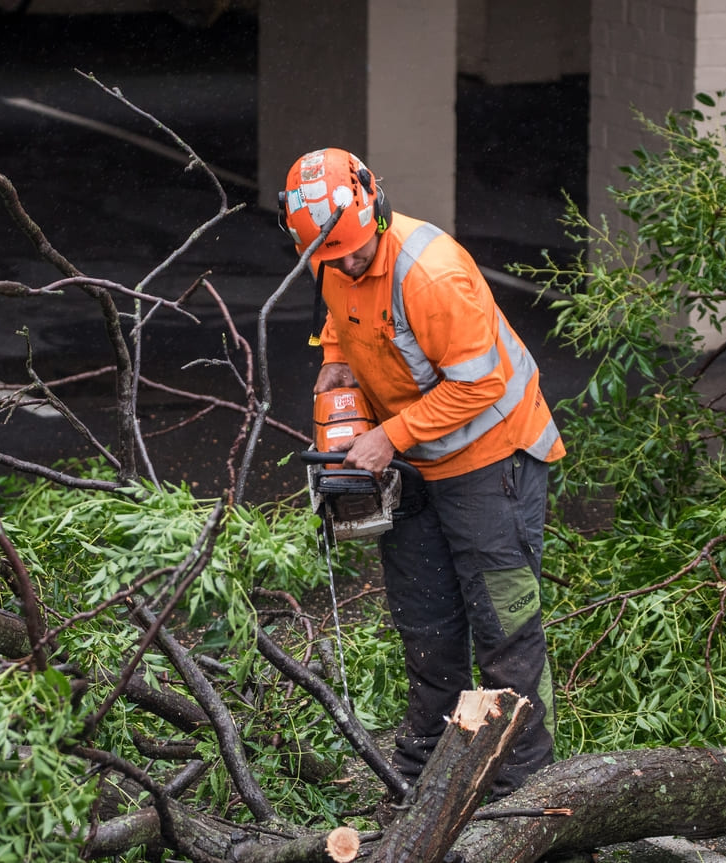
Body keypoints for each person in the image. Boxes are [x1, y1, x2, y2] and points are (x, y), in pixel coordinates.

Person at [279, 147, 565, 798]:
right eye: (333, 258)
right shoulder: (331, 258)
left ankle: (523, 792)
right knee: (426, 623)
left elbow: (481, 383)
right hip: (412, 457)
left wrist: (386, 436)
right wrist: (335, 365)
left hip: (491, 455)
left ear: (375, 207)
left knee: (505, 630)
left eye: (354, 251)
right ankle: (422, 778)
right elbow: (342, 319)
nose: (347, 264)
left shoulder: (430, 273)